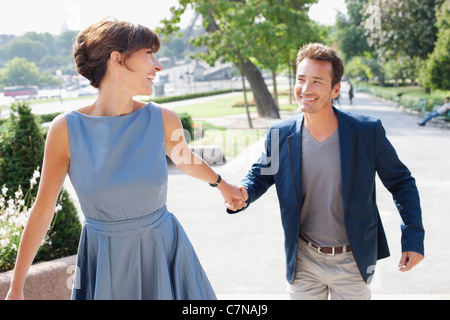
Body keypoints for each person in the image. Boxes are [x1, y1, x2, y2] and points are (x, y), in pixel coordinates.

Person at [6, 18, 245, 300]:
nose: (158, 65)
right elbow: (43, 208)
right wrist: (16, 288)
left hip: (163, 249)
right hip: (105, 261)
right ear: (117, 59)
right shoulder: (66, 130)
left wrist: (223, 185)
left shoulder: (163, 119)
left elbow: (186, 160)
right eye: (148, 54)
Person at [228, 43, 424, 300]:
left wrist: (413, 237)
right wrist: (243, 192)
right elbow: (261, 175)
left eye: (317, 82)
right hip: (303, 262)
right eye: (301, 79)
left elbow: (401, 182)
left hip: (353, 261)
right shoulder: (280, 133)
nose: (305, 89)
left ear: (336, 89)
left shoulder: (366, 133)